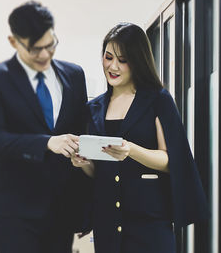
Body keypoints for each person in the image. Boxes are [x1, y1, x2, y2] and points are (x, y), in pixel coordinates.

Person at [71, 22, 209, 253]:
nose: (113, 66)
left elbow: (171, 160)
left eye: (122, 60)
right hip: (107, 222)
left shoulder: (158, 100)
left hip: (149, 222)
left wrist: (131, 150)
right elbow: (100, 170)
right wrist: (84, 164)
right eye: (108, 57)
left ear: (137, 61)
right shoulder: (93, 108)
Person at [0, 1, 92, 253]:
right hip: (16, 215)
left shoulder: (74, 75)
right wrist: (46, 142)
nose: (44, 55)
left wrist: (85, 206)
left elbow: (82, 134)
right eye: (35, 49)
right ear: (13, 41)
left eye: (49, 45)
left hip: (61, 209)